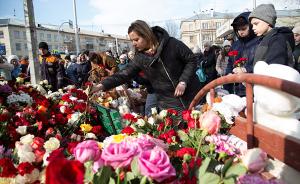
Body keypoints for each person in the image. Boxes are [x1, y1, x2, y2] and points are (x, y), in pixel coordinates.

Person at [91, 20, 201, 111]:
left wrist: (183, 81)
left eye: (136, 39)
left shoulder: (172, 44)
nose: (133, 43)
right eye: (131, 40)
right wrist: (101, 86)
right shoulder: (140, 58)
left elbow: (191, 60)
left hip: (192, 95)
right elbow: (124, 74)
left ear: (146, 35)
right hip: (168, 103)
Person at [224, 11, 260, 96]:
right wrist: (228, 73)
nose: (240, 32)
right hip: (237, 88)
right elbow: (230, 62)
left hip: (254, 88)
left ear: (250, 26)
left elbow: (262, 64)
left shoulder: (259, 42)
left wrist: (246, 69)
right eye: (238, 29)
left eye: (243, 29)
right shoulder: (235, 45)